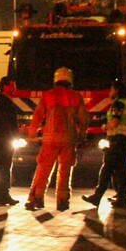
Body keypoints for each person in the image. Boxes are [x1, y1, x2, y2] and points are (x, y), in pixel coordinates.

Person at [25, 67, 89, 211]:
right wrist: (82, 135)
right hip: (68, 139)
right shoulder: (76, 97)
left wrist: (32, 133)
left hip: (50, 139)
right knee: (65, 171)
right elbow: (84, 119)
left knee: (43, 170)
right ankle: (62, 201)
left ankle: (36, 199)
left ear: (56, 80)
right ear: (70, 80)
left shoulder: (48, 95)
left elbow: (37, 116)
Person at [83, 81, 126, 208]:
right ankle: (122, 198)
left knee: (107, 169)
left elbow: (115, 122)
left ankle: (97, 196)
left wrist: (105, 126)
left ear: (116, 90)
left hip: (116, 140)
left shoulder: (118, 104)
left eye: (111, 89)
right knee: (121, 170)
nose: (109, 91)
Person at [0, 77, 20, 206]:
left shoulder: (4, 101)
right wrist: (12, 136)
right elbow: (6, 122)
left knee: (2, 166)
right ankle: (2, 194)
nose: (15, 88)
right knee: (4, 167)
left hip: (4, 138)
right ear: (6, 86)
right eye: (13, 85)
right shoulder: (4, 101)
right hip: (5, 139)